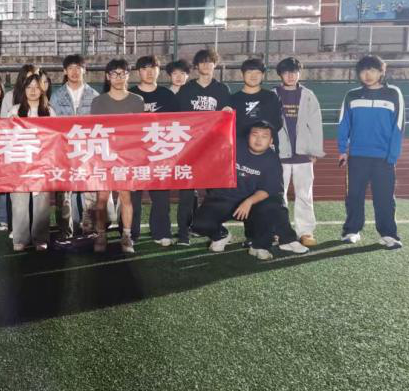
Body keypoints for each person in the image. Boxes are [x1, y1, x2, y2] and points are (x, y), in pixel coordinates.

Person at [191, 122, 309, 260]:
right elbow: (212, 140)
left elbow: (268, 189)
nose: (258, 140)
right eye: (255, 135)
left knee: (273, 205)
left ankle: (259, 245)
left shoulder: (272, 160)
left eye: (264, 136)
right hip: (225, 198)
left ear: (271, 141)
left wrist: (249, 201)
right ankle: (221, 235)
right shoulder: (234, 145)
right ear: (248, 136)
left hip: (253, 203)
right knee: (198, 223)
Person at [338, 54, 405, 249]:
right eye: (363, 71)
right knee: (354, 196)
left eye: (372, 70)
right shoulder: (352, 95)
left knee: (384, 198)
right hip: (357, 156)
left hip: (383, 158)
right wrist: (343, 149)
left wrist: (392, 156)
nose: (367, 75)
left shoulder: (393, 93)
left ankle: (388, 234)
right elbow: (344, 123)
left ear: (381, 72)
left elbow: (399, 126)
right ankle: (351, 230)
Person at [173, 48, 233, 246]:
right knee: (186, 193)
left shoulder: (222, 90)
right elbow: (179, 119)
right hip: (190, 149)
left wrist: (228, 113)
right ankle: (183, 233)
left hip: (213, 150)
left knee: (214, 194)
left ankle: (212, 229)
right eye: (202, 62)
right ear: (197, 66)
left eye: (210, 62)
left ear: (215, 65)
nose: (206, 65)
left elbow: (228, 119)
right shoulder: (187, 90)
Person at [88, 60, 144, 254]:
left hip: (127, 157)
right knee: (102, 198)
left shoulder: (137, 101)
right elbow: (94, 131)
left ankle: (126, 236)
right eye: (114, 73)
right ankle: (101, 234)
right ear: (107, 76)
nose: (119, 77)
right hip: (104, 155)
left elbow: (139, 131)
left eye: (123, 73)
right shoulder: (98, 101)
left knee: (126, 196)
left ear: (128, 75)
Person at [274, 57, 324, 247]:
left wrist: (314, 150)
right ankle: (279, 230)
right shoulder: (273, 95)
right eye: (286, 72)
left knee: (304, 194)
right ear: (280, 74)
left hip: (303, 155)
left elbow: (316, 124)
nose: (291, 76)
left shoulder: (308, 95)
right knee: (278, 195)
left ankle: (305, 231)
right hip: (280, 155)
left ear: (299, 74)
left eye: (294, 72)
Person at [49, 54, 99, 240]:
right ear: (64, 71)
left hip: (87, 150)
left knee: (90, 191)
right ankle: (65, 232)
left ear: (84, 70)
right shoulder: (56, 96)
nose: (74, 72)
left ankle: (89, 230)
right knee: (63, 194)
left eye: (78, 68)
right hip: (64, 150)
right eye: (70, 68)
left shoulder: (94, 95)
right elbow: (52, 125)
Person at [129, 55, 176, 246]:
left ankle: (161, 232)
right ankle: (131, 233)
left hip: (160, 154)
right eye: (144, 68)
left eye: (153, 68)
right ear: (138, 72)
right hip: (135, 155)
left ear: (159, 70)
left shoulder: (167, 95)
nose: (149, 72)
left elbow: (179, 123)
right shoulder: (130, 95)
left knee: (161, 197)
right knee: (133, 197)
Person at [8, 73, 55, 251]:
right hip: (19, 163)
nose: (33, 91)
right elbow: (6, 135)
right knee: (19, 202)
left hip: (42, 163)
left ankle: (40, 238)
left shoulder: (49, 111)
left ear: (42, 89)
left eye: (36, 87)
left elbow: (55, 138)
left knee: (41, 203)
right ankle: (20, 238)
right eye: (29, 87)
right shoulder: (15, 111)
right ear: (24, 90)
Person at [230, 57, 282, 138]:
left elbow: (277, 124)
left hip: (266, 144)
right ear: (242, 74)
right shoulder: (233, 99)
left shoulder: (271, 97)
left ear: (263, 75)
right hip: (240, 144)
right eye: (249, 72)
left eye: (258, 72)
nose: (253, 76)